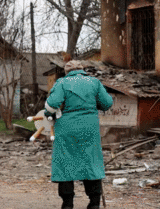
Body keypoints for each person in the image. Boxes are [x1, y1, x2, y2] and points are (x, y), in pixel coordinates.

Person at [45, 60, 113, 209]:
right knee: (91, 161)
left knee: (65, 163)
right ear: (83, 70)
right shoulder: (94, 82)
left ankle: (68, 203)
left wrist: (47, 113)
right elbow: (107, 103)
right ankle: (94, 203)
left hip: (66, 129)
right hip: (90, 128)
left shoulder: (62, 82)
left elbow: (52, 104)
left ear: (66, 71)